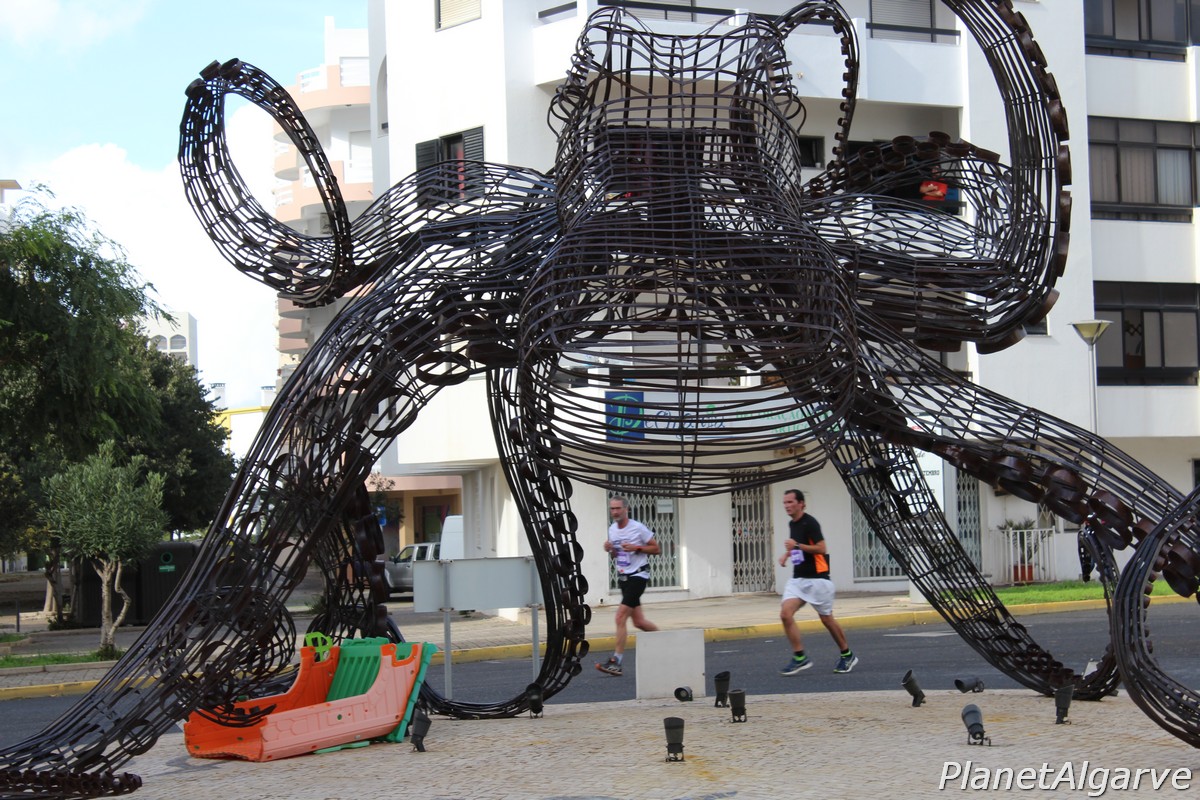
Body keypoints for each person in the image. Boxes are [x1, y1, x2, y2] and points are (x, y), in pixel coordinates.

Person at [777, 489, 858, 675]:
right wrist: (787, 554)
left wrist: (796, 546)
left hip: (818, 580)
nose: (786, 506)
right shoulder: (792, 523)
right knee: (785, 614)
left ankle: (847, 654)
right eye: (784, 502)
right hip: (798, 580)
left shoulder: (810, 523)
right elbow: (797, 545)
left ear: (801, 504)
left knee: (827, 619)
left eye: (790, 502)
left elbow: (821, 548)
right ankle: (800, 657)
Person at [596, 495, 660, 676]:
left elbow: (656, 549)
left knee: (620, 617)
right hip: (624, 577)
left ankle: (616, 661)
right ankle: (664, 641)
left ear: (626, 509)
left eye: (618, 508)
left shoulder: (638, 528)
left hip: (639, 576)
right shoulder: (612, 529)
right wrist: (610, 549)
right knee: (639, 622)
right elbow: (617, 555)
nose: (615, 512)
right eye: (612, 509)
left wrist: (636, 547)